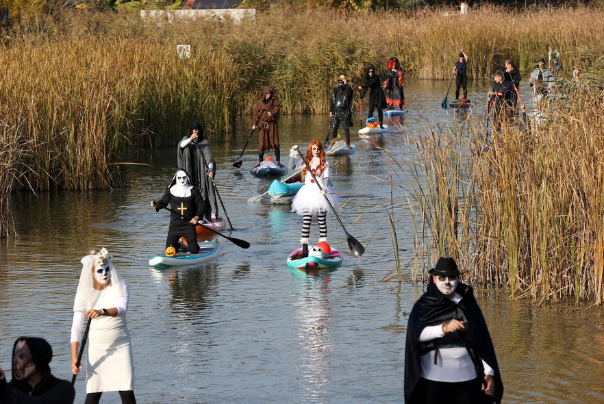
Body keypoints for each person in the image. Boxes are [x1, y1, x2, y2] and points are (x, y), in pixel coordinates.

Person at [404, 257, 504, 404]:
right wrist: (443, 328)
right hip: (433, 381)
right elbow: (417, 336)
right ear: (434, 279)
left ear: (458, 279)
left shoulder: (468, 304)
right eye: (442, 278)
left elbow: (482, 342)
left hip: (468, 381)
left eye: (451, 277)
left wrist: (489, 373)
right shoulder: (423, 306)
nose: (447, 282)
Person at [71, 248, 136, 404]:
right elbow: (76, 328)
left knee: (127, 390)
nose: (105, 273)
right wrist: (74, 358)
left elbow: (122, 310)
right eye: (100, 270)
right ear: (92, 273)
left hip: (121, 345)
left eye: (107, 269)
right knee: (94, 393)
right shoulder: (84, 292)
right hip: (97, 348)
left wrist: (102, 311)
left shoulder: (119, 285)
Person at [288, 141, 339, 258]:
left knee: (322, 221)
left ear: (321, 150)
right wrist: (293, 153)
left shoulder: (324, 162)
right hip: (308, 193)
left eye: (318, 149)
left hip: (321, 191)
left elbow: (326, 177)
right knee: (307, 220)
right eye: (314, 149)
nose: (316, 151)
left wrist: (325, 188)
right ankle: (305, 249)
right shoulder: (305, 160)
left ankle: (324, 247)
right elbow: (292, 167)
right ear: (310, 150)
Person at [0, 337, 75, 403]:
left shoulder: (63, 388)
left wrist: (4, 391)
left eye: (22, 357)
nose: (16, 362)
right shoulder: (10, 389)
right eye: (15, 357)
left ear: (37, 360)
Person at [150, 169, 206, 254]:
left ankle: (194, 246)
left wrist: (197, 217)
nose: (182, 180)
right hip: (174, 226)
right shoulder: (171, 190)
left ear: (187, 178)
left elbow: (201, 205)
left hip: (189, 225)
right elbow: (163, 203)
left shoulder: (193, 190)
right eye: (179, 178)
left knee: (193, 251)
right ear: (176, 178)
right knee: (169, 251)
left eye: (184, 177)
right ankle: (179, 245)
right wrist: (156, 204)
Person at [177, 122, 217, 222]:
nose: (195, 131)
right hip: (189, 172)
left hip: (201, 173)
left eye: (197, 130)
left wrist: (211, 170)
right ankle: (189, 215)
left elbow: (209, 159)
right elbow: (181, 146)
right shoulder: (186, 140)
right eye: (193, 130)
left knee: (202, 193)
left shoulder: (204, 142)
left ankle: (202, 216)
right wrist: (191, 139)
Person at [252, 86, 282, 166]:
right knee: (261, 144)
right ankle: (261, 162)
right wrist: (254, 124)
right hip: (262, 125)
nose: (269, 95)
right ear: (264, 93)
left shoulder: (274, 101)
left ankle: (278, 162)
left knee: (275, 143)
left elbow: (277, 109)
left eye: (270, 93)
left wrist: (272, 113)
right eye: (268, 93)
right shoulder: (259, 103)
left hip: (272, 125)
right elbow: (256, 115)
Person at [330, 75, 353, 148]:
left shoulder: (348, 89)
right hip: (336, 111)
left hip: (345, 111)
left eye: (343, 80)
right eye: (340, 81)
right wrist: (331, 111)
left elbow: (349, 94)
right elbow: (332, 101)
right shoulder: (335, 90)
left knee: (346, 128)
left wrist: (346, 84)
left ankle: (348, 145)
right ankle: (333, 144)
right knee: (334, 127)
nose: (341, 82)